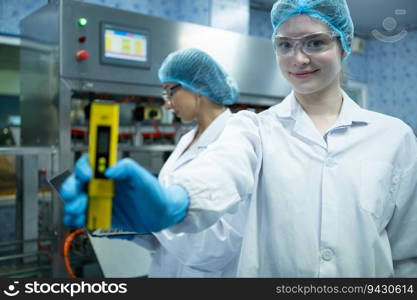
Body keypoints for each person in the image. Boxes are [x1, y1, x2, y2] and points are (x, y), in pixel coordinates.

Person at [62, 0, 417, 277]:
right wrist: (176, 202)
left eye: (315, 42)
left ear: (342, 46)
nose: (299, 58)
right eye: (285, 45)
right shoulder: (253, 129)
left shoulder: (393, 137)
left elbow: (406, 254)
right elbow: (221, 170)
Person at [62, 48, 247, 277]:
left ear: (199, 85)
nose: (167, 104)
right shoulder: (187, 138)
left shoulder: (238, 135)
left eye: (170, 92)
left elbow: (217, 248)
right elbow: (166, 239)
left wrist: (157, 220)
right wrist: (138, 228)